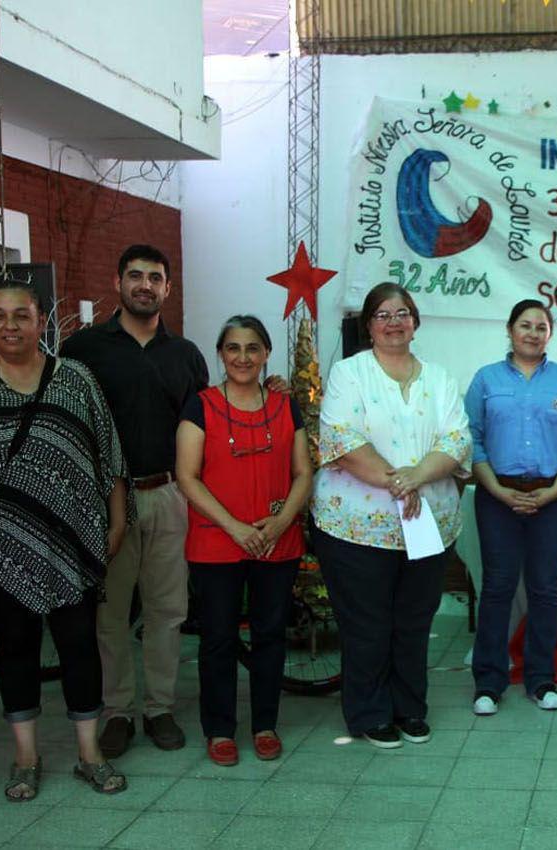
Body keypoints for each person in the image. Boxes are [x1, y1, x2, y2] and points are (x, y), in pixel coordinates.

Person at [0, 279, 130, 800]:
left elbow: (109, 455)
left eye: (22, 315)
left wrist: (116, 520)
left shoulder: (75, 380)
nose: (10, 326)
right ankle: (25, 757)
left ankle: (89, 754)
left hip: (71, 543)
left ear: (43, 321)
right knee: (15, 649)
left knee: (80, 648)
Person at [59, 244, 207, 758]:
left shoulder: (185, 355)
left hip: (170, 494)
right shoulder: (83, 350)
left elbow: (207, 425)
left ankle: (160, 708)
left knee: (168, 611)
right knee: (111, 615)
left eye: (156, 278)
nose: (146, 285)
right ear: (118, 281)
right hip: (105, 501)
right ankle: (117, 711)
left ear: (167, 288)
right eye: (136, 276)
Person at [313, 283, 471, 748]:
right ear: (369, 325)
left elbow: (457, 440)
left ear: (415, 321)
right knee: (367, 624)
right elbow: (342, 439)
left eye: (402, 313)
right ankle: (369, 713)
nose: (394, 322)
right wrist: (400, 481)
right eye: (383, 314)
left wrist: (416, 475)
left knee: (413, 620)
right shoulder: (349, 373)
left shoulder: (439, 379)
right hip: (356, 528)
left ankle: (409, 708)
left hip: (427, 527)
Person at [175, 315, 313, 766]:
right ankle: (219, 729)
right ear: (221, 354)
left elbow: (303, 473)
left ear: (266, 353)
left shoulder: (284, 406)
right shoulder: (201, 406)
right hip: (218, 542)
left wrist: (278, 525)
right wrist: (235, 527)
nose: (242, 357)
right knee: (217, 638)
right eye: (233, 348)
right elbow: (187, 477)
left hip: (277, 541)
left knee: (271, 635)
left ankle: (265, 724)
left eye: (252, 348)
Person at [465, 299, 557, 715]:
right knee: (497, 587)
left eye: (541, 326)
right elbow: (472, 441)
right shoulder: (485, 380)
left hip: (553, 497)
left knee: (544, 589)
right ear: (510, 329)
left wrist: (554, 491)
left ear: (550, 334)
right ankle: (488, 681)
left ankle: (541, 678)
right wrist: (498, 491)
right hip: (497, 496)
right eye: (525, 325)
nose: (533, 333)